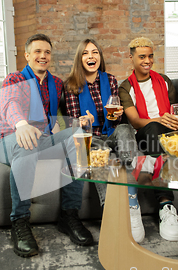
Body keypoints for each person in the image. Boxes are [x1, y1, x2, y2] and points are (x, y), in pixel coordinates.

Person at [0, 34, 93, 258]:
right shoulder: (14, 79)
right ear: (27, 55)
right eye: (37, 51)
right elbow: (10, 104)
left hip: (42, 138)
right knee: (27, 141)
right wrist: (21, 125)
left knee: (79, 137)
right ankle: (19, 221)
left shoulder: (56, 83)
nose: (43, 56)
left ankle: (69, 215)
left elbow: (58, 118)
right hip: (9, 137)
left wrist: (78, 123)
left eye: (47, 52)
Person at [119, 37, 178, 242]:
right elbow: (136, 122)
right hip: (147, 132)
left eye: (151, 56)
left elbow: (176, 109)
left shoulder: (163, 79)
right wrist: (159, 119)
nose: (148, 60)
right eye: (142, 56)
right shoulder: (125, 87)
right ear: (131, 58)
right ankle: (166, 204)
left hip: (171, 130)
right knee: (154, 127)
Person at [64, 38, 137, 209]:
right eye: (85, 53)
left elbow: (115, 119)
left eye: (95, 52)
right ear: (79, 59)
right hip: (91, 138)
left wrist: (116, 116)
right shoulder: (71, 85)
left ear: (100, 57)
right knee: (97, 153)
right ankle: (109, 208)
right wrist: (83, 121)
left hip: (111, 134)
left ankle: (130, 187)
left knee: (126, 128)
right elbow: (72, 125)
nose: (91, 56)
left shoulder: (110, 80)